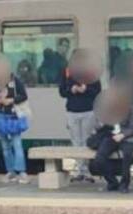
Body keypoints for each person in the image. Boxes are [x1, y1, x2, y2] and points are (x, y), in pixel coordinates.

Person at [58, 49, 101, 182]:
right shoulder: (67, 72)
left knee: (87, 140)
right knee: (76, 141)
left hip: (88, 110)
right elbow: (62, 91)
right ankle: (79, 169)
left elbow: (97, 90)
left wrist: (86, 89)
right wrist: (72, 89)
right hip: (72, 110)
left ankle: (87, 170)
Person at [0, 58, 30, 183]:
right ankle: (11, 171)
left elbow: (24, 96)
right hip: (0, 115)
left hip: (13, 115)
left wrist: (11, 100)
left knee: (17, 144)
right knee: (5, 146)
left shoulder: (15, 81)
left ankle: (21, 171)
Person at [88, 86, 133, 193]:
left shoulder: (130, 107)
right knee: (99, 158)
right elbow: (97, 126)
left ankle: (124, 184)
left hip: (127, 137)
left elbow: (132, 128)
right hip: (111, 136)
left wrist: (122, 135)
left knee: (127, 155)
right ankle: (112, 181)